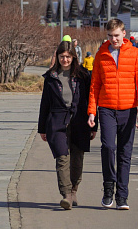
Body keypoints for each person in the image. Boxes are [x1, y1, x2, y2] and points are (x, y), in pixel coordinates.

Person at [88, 18, 138, 210]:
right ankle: (108, 190)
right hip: (106, 109)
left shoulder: (136, 54)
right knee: (107, 147)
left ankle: (122, 196)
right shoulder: (101, 55)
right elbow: (95, 85)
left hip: (129, 109)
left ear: (124, 33)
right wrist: (91, 112)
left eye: (116, 35)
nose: (114, 39)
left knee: (125, 153)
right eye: (110, 36)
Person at [38, 40, 96, 210]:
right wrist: (42, 128)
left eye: (68, 57)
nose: (65, 60)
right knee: (62, 158)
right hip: (57, 122)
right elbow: (45, 104)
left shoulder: (83, 75)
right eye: (62, 56)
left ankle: (74, 190)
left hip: (79, 121)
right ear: (57, 57)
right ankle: (66, 195)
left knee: (77, 159)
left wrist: (94, 125)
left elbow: (91, 101)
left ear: (74, 57)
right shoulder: (50, 77)